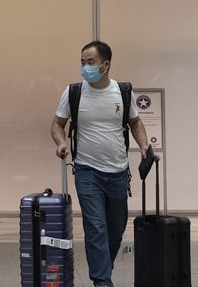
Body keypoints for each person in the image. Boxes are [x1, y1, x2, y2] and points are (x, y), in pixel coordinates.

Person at [50, 40, 150, 287]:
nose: (85, 67)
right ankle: (102, 281)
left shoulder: (123, 92)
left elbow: (135, 122)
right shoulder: (73, 92)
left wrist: (144, 145)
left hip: (118, 173)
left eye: (90, 62)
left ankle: (104, 268)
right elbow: (57, 125)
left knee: (115, 230)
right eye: (82, 62)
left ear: (106, 65)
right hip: (86, 171)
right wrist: (61, 143)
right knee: (96, 227)